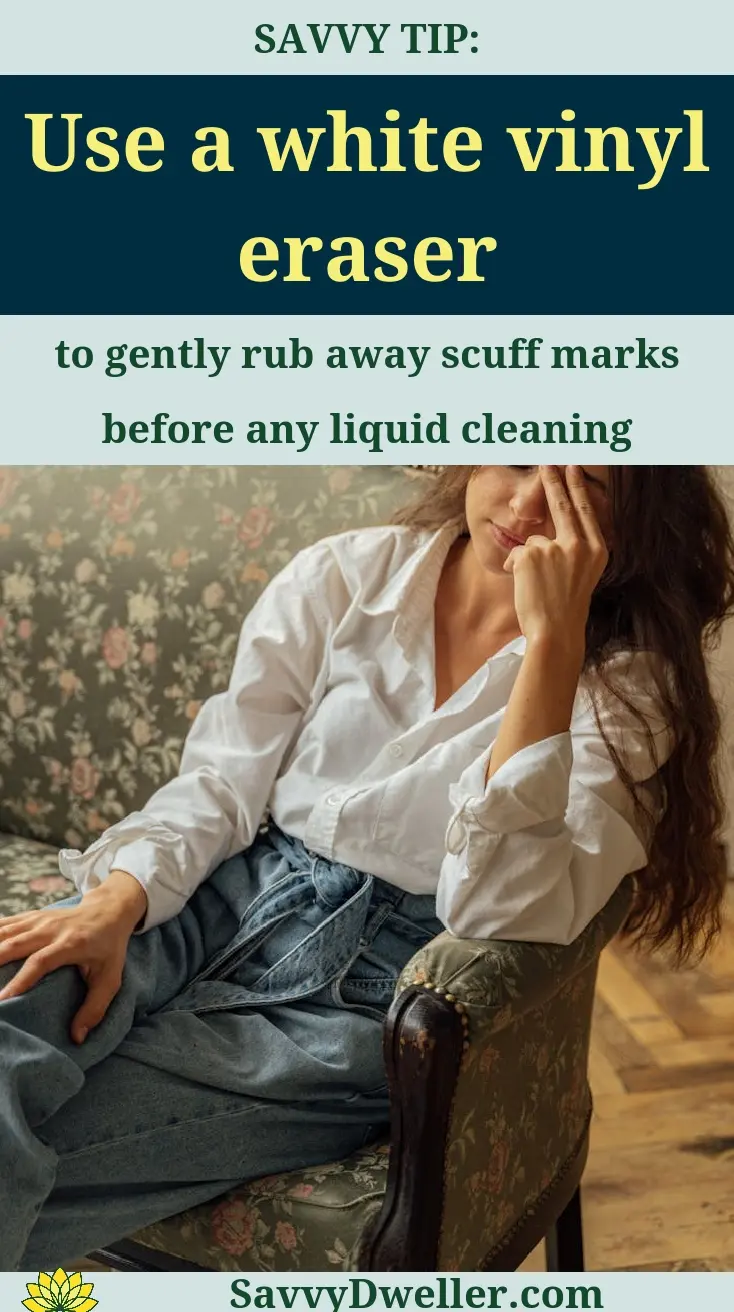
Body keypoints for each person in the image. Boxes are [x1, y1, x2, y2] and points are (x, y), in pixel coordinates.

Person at [0, 464, 732, 1270]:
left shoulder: (627, 687)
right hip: (217, 898)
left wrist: (553, 648)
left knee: (49, 1141)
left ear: (637, 514)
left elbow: (498, 908)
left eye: (584, 484)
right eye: (518, 455)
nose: (527, 504)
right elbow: (219, 780)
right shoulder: (343, 573)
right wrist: (119, 897)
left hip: (369, 997)